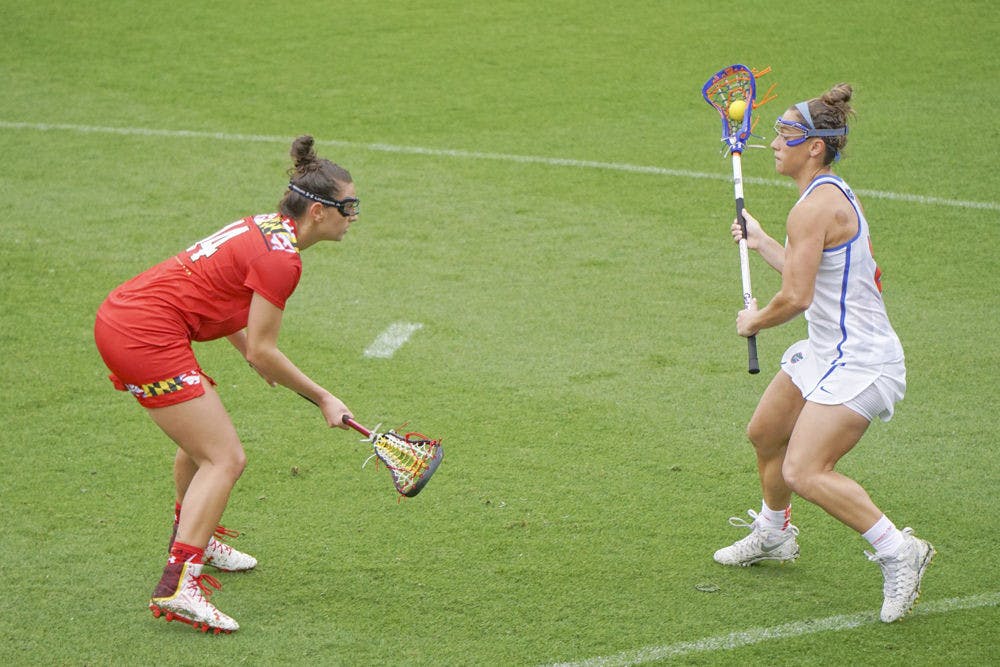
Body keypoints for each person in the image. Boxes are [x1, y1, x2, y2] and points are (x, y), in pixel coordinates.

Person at [94, 135, 358, 633]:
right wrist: (323, 398)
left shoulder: (264, 226)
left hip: (127, 318)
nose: (354, 215)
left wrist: (249, 354)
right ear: (319, 212)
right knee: (226, 457)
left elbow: (221, 292)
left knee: (201, 446)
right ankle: (180, 584)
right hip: (144, 335)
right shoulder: (284, 260)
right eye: (349, 206)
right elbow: (265, 348)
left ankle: (199, 535)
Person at [713, 84, 934, 623]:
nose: (774, 143)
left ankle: (898, 549)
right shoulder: (828, 195)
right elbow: (808, 273)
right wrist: (763, 242)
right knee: (765, 433)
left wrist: (755, 319)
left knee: (806, 469)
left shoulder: (813, 210)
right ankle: (773, 533)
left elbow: (796, 296)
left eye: (787, 134)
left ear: (815, 147)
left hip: (862, 361)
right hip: (826, 348)